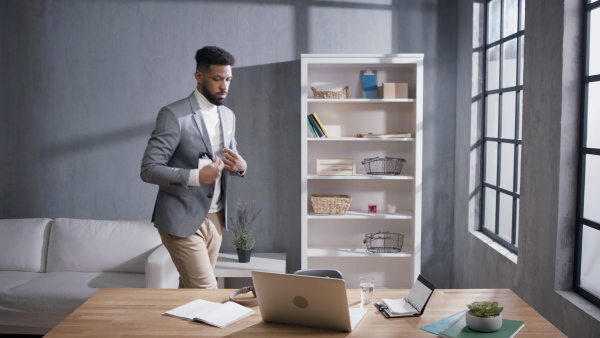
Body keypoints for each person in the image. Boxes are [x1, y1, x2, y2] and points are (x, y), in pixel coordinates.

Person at [140, 46, 246, 289]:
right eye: (217, 79)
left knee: (190, 294)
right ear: (199, 76)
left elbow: (231, 154)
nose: (224, 86)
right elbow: (149, 169)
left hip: (216, 218)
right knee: (206, 290)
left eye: (228, 79)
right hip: (181, 219)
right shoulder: (174, 115)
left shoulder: (228, 116)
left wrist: (240, 166)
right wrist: (196, 175)